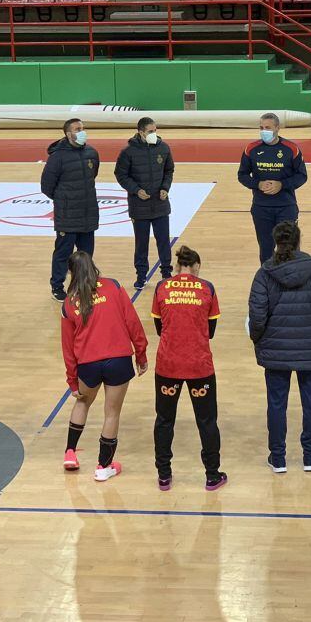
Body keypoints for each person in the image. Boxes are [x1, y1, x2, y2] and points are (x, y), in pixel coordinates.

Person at [248, 221, 311, 473]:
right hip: (310, 347)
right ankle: (310, 457)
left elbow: (257, 315)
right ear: (299, 241)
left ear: (276, 242)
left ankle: (278, 458)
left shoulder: (264, 273)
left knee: (276, 404)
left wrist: (260, 340)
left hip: (275, 349)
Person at [60, 252, 148, 482]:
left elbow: (67, 348)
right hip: (118, 360)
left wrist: (72, 380)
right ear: (93, 266)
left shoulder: (69, 302)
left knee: (82, 402)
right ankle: (103, 466)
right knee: (112, 413)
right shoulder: (113, 286)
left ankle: (70, 453)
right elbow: (132, 321)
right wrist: (141, 353)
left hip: (87, 364)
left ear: (71, 273)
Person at [150, 246, 225, 491]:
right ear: (196, 266)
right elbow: (211, 332)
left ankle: (164, 475)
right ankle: (212, 475)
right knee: (207, 421)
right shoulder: (207, 288)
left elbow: (159, 327)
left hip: (168, 365)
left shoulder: (162, 287)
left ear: (177, 267)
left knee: (164, 420)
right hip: (199, 365)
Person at [41, 118, 100, 302]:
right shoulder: (57, 157)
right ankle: (57, 286)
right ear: (68, 134)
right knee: (63, 253)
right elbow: (46, 186)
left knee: (87, 253)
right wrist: (64, 200)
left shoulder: (92, 153)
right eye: (77, 129)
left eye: (83, 128)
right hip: (67, 216)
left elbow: (93, 175)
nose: (82, 131)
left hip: (88, 213)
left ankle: (85, 283)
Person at [238, 113, 308, 264]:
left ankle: (292, 282)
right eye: (261, 128)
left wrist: (282, 185)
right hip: (261, 208)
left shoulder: (291, 149)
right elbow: (242, 175)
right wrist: (258, 184)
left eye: (268, 128)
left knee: (289, 249)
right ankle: (268, 283)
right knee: (265, 250)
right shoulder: (251, 149)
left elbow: (302, 176)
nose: (264, 131)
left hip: (286, 207)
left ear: (277, 128)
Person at [115, 116, 175, 290]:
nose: (154, 134)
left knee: (163, 240)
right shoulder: (128, 152)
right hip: (139, 206)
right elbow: (121, 175)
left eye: (155, 130)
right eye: (150, 131)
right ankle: (141, 276)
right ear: (140, 132)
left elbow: (169, 170)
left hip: (161, 204)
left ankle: (166, 273)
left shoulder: (163, 148)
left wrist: (165, 187)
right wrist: (136, 190)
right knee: (141, 243)